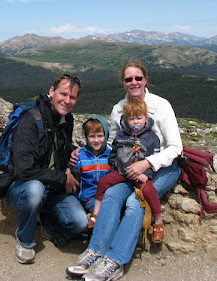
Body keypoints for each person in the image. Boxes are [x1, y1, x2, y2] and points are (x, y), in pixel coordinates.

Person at [67, 60, 183, 281]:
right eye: (129, 79)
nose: (134, 82)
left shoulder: (161, 105)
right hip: (128, 168)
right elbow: (111, 144)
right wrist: (81, 153)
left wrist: (147, 163)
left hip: (163, 168)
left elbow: (176, 147)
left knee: (135, 202)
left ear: (145, 80)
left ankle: (115, 260)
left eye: (138, 78)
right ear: (123, 82)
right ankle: (96, 250)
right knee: (110, 194)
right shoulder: (118, 109)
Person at [0, 74, 88, 264]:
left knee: (80, 223)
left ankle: (46, 224)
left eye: (72, 97)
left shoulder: (65, 120)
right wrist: (62, 179)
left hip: (51, 187)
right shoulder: (31, 120)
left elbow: (54, 149)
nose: (67, 101)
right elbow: (24, 170)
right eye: (63, 94)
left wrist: (72, 153)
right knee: (35, 190)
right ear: (51, 92)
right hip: (23, 186)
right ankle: (25, 240)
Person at [89, 98, 164, 243]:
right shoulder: (121, 136)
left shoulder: (151, 138)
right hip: (122, 172)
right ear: (125, 119)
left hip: (140, 175)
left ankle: (158, 222)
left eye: (139, 118)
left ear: (146, 119)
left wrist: (146, 175)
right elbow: (114, 153)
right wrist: (113, 169)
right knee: (104, 182)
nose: (136, 122)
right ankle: (95, 214)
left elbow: (154, 158)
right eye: (132, 119)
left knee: (149, 192)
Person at [73, 115, 111, 213]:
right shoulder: (80, 156)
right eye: (92, 136)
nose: (96, 140)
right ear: (86, 137)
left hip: (106, 196)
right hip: (88, 197)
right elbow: (75, 180)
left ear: (106, 135)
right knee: (102, 213)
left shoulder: (110, 156)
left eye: (100, 136)